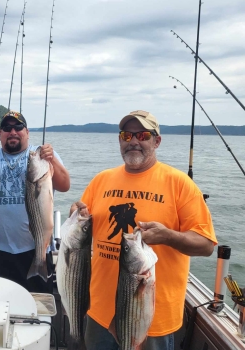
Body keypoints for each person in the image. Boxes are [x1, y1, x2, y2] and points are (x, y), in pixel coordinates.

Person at [71, 110, 217, 350]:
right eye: (127, 135)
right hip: (99, 311)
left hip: (150, 318)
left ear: (156, 141)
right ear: (120, 140)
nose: (134, 141)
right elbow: (83, 225)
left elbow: (206, 245)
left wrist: (168, 236)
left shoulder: (180, 184)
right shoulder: (101, 180)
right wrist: (76, 214)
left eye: (143, 135)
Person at [0, 110, 70, 293]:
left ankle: (40, 266)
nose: (12, 132)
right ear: (0, 134)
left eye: (18, 127)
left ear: (27, 132)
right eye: (7, 128)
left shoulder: (43, 156)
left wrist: (52, 160)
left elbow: (64, 185)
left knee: (36, 310)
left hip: (33, 247)